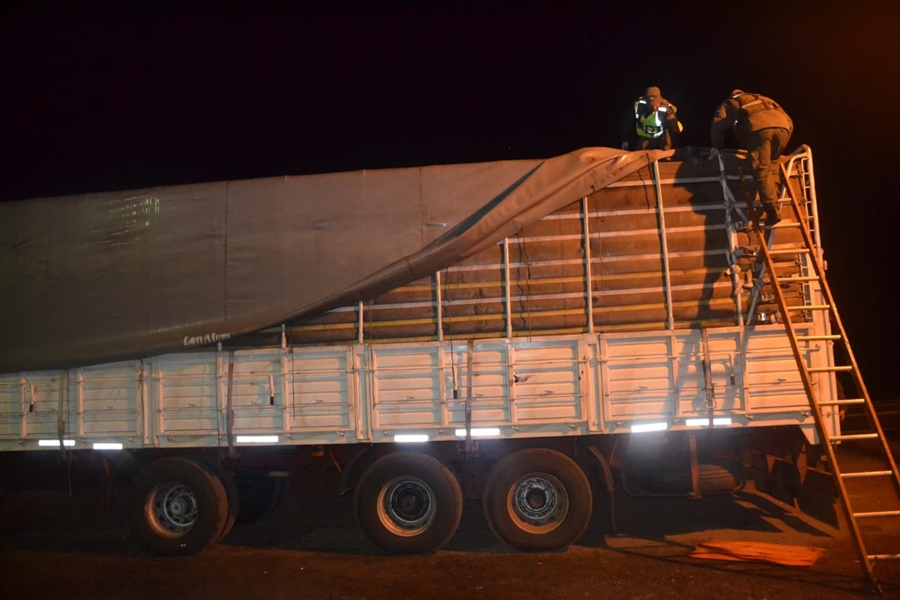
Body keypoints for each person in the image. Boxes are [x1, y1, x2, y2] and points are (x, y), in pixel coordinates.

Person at [710, 90, 793, 226]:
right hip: (784, 128)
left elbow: (718, 124)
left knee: (761, 168)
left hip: (760, 130)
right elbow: (789, 119)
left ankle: (771, 209)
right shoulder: (763, 98)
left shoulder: (731, 102)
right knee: (772, 165)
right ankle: (775, 200)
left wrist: (718, 145)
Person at [623, 86, 683, 151]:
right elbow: (627, 123)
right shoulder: (638, 107)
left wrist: (676, 148)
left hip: (662, 135)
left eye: (656, 104)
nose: (654, 108)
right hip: (645, 136)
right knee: (640, 155)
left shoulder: (666, 110)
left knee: (667, 151)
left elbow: (674, 130)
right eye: (651, 106)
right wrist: (625, 140)